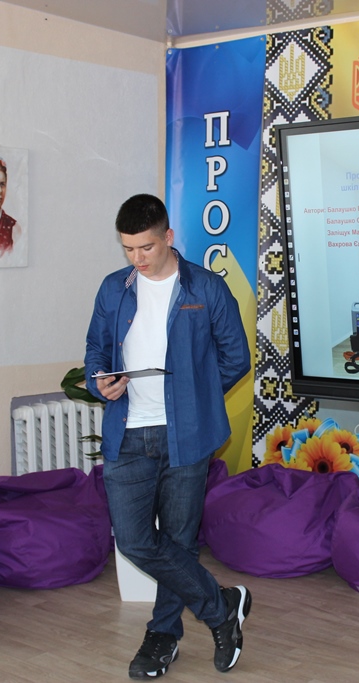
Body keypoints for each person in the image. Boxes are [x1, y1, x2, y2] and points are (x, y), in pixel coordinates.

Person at [84, 194, 252, 679]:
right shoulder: (113, 288)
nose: (137, 257)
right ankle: (221, 607)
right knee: (134, 541)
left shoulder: (206, 287)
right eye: (128, 248)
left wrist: (195, 398)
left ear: (169, 237)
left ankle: (162, 636)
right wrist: (100, 380)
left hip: (187, 434)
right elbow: (96, 349)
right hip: (128, 433)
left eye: (147, 247)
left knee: (178, 542)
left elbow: (236, 357)